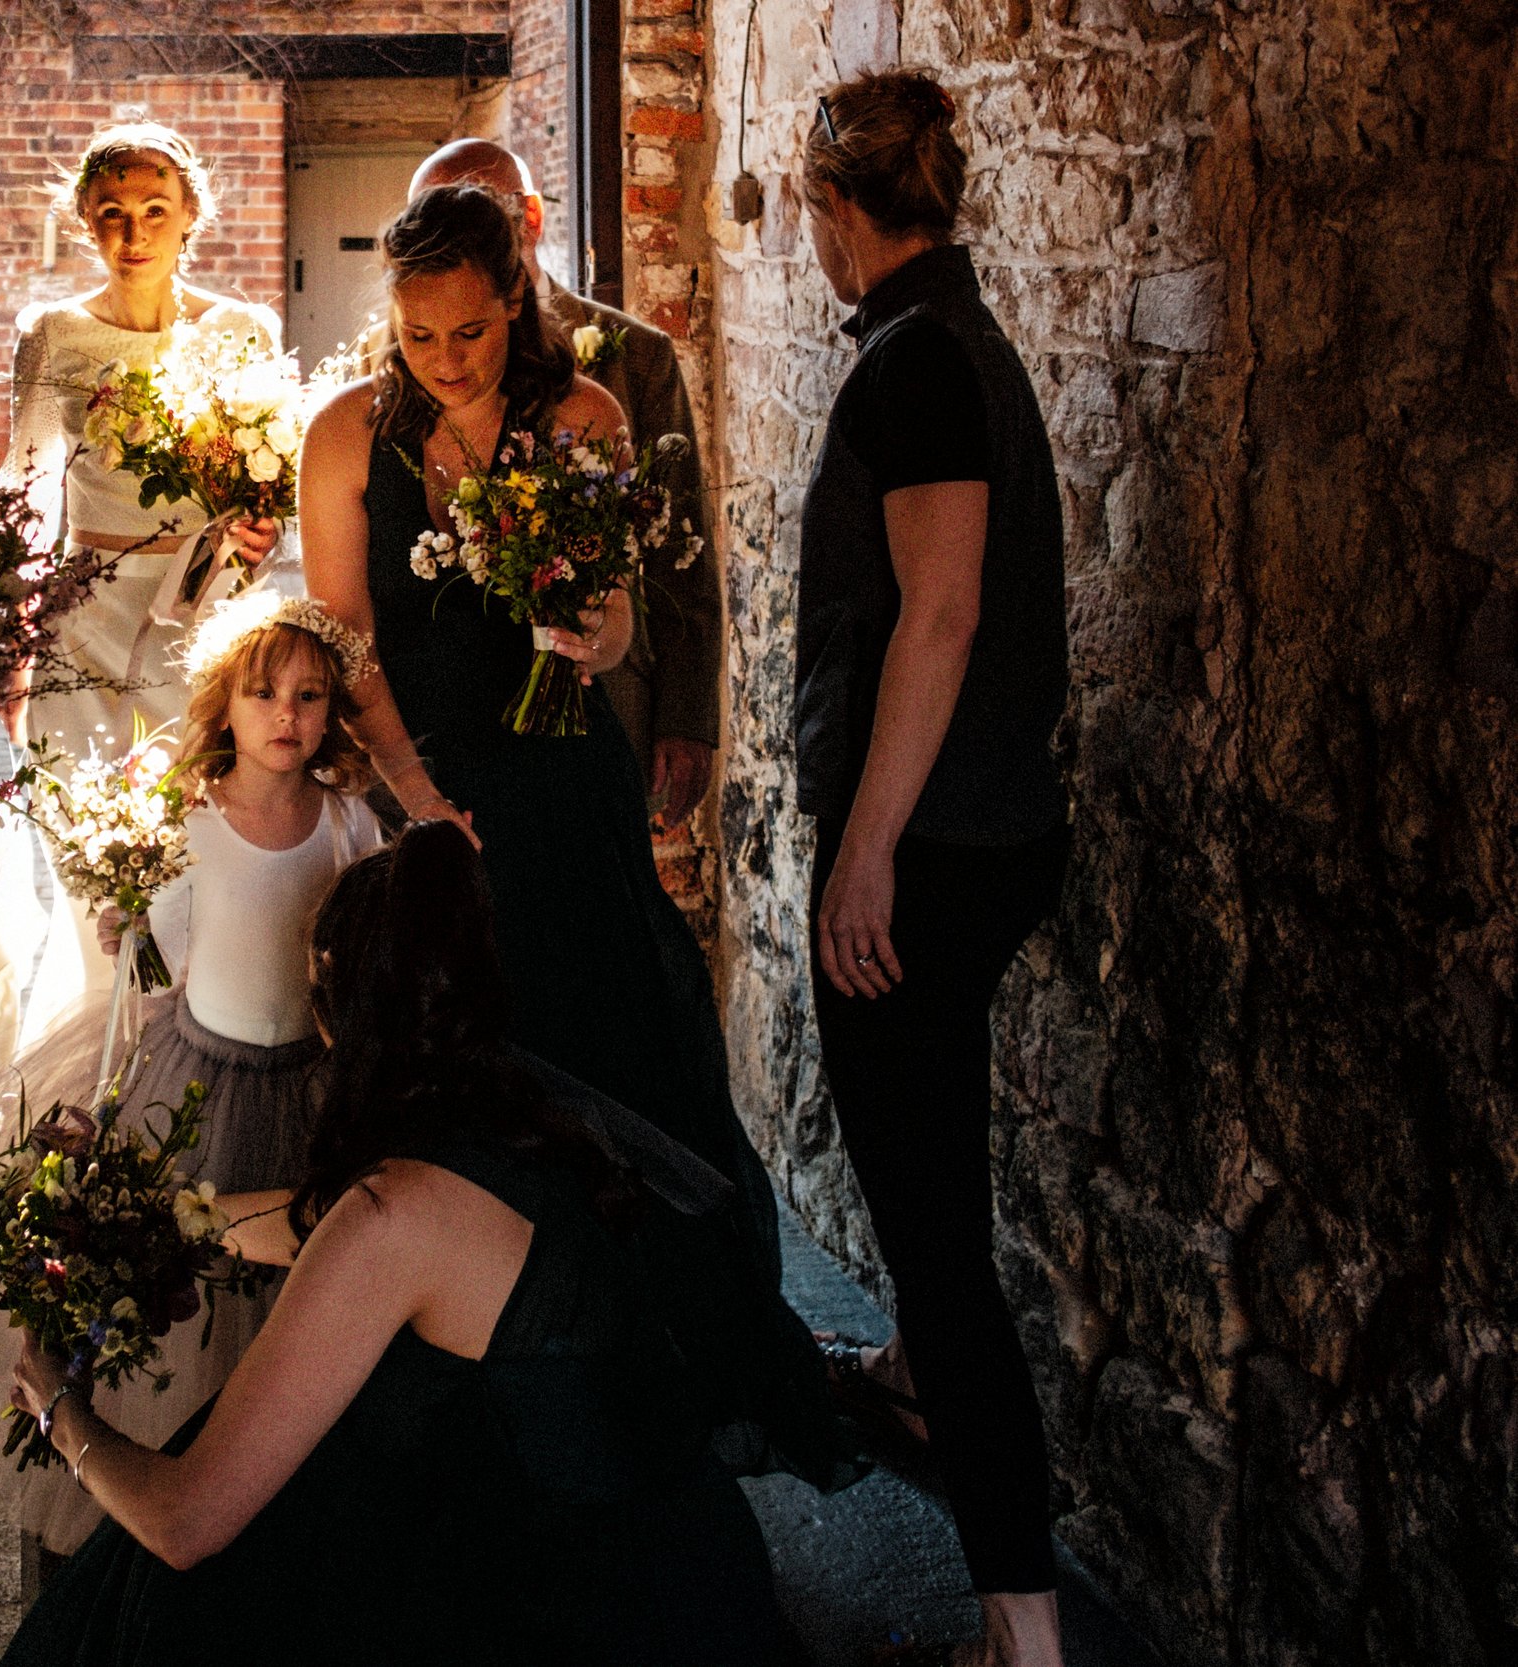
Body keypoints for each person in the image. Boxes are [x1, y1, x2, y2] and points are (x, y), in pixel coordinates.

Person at [0, 823, 850, 1665]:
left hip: (578, 1611)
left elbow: (185, 1522)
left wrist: (59, 1413)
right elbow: (311, 1224)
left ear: (336, 1012)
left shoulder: (392, 1218)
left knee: (161, 1588)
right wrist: (161, 1212)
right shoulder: (522, 1110)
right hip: (679, 1560)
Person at [300, 182, 779, 1273]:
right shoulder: (341, 436)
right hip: (422, 787)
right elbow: (347, 638)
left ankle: (627, 1312)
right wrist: (418, 799)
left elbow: (615, 632)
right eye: (418, 335)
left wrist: (587, 633)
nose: (445, 358)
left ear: (515, 298)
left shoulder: (583, 419)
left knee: (599, 1035)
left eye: (469, 330)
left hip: (562, 777)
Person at [0, 590, 384, 1555]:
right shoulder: (194, 816)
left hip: (308, 1081)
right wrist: (126, 924)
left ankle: (272, 1467)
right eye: (265, 693)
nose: (287, 717)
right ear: (225, 701)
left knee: (292, 1277)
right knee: (177, 1270)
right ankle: (148, 1468)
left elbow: (363, 951)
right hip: (192, 1079)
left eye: (311, 697)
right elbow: (160, 954)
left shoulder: (346, 823)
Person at [794, 70, 1073, 1667]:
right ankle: (908, 1365)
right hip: (984, 828)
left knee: (939, 1237)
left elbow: (942, 613)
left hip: (939, 846)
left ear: (839, 213)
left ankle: (1022, 1629)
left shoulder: (913, 365)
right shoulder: (953, 340)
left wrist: (867, 854)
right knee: (932, 1208)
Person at [0, 122, 282, 1166]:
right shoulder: (54, 336)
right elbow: (25, 487)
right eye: (110, 215)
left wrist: (257, 526)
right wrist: (8, 633)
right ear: (84, 222)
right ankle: (104, 1126)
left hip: (206, 615)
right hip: (85, 626)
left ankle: (185, 1126)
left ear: (190, 216)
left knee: (193, 873)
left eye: (152, 212)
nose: (132, 233)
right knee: (101, 887)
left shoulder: (240, 333)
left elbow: (263, 478)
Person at [408, 139, 721, 826]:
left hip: (602, 693)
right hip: (446, 725)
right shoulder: (408, 368)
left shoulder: (633, 357)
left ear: (532, 218)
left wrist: (689, 716)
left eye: (482, 211)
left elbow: (678, 544)